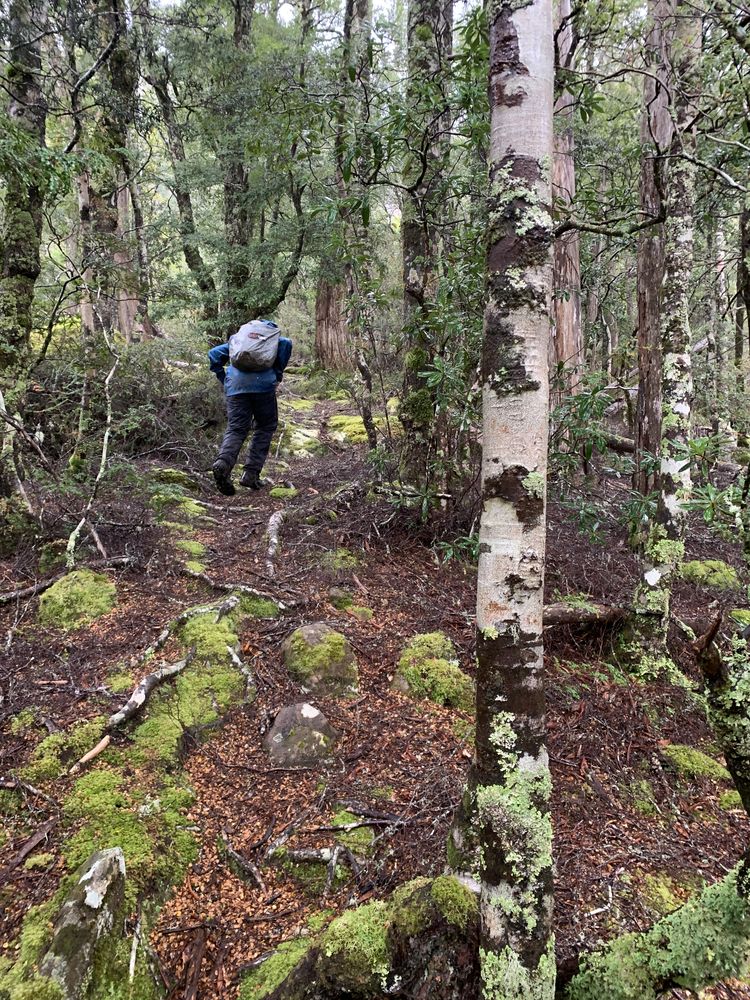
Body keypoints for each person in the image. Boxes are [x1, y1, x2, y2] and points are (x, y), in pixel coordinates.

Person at [208, 320, 293, 495]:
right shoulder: (274, 340)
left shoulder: (237, 340)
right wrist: (277, 373)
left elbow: (214, 354)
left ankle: (223, 463)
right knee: (265, 426)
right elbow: (287, 343)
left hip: (236, 388)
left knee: (236, 429)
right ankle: (251, 474)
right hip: (263, 387)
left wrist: (223, 378)